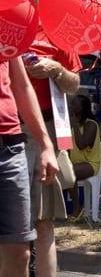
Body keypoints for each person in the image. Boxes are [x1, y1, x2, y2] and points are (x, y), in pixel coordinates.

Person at [21, 29, 81, 277]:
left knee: (44, 223)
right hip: (7, 128)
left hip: (43, 133)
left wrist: (55, 68)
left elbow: (74, 84)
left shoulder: (58, 29)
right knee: (10, 227)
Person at [0, 56, 58, 277]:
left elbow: (22, 85)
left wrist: (45, 144)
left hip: (10, 148)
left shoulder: (6, 23)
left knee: (20, 253)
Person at [67, 95, 101, 219]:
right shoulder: (70, 124)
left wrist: (75, 124)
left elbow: (82, 144)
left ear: (82, 108)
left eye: (74, 104)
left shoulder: (91, 124)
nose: (70, 107)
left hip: (90, 164)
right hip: (73, 163)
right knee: (63, 170)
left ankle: (77, 207)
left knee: (69, 172)